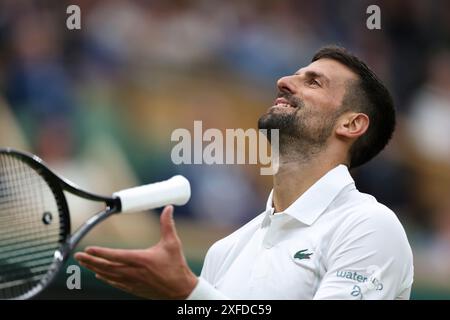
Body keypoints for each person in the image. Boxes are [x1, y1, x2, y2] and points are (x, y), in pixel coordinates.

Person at [75, 45, 414, 300]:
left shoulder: (369, 227)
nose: (283, 82)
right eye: (293, 75)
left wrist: (190, 293)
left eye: (313, 82)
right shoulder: (226, 251)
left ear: (351, 123)